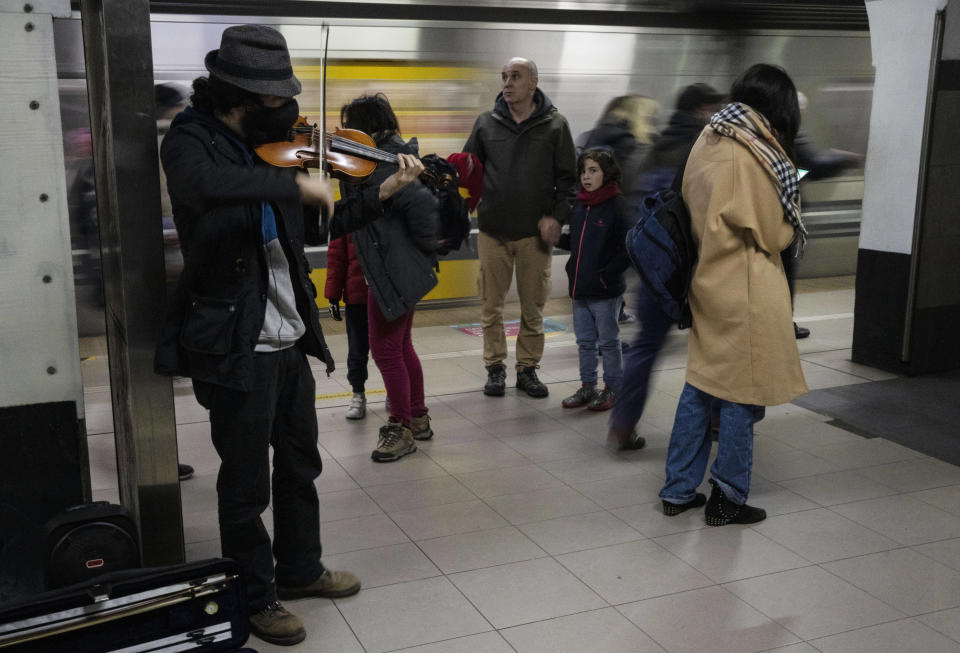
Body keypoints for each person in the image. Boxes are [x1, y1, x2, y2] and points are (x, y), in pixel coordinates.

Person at [153, 25, 424, 646]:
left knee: (300, 464)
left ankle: (300, 570)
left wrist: (384, 190)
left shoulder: (274, 145)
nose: (290, 116)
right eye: (277, 102)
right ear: (240, 96)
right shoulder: (193, 141)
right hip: (233, 339)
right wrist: (290, 181)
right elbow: (202, 189)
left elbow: (326, 219)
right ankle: (254, 597)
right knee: (244, 483)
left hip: (287, 334)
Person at [658, 63, 808, 525]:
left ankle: (678, 490)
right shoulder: (752, 153)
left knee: (701, 388)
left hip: (708, 281)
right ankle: (728, 496)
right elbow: (771, 232)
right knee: (743, 393)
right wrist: (791, 212)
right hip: (744, 288)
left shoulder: (709, 139)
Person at [607, 82, 723, 447]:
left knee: (644, 348)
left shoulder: (651, 148)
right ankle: (718, 422)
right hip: (699, 270)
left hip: (655, 270)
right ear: (703, 110)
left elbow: (632, 209)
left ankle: (621, 427)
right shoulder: (709, 148)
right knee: (715, 349)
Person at [463, 57, 576, 399]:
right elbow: (468, 171)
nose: (507, 83)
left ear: (533, 83)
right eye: (504, 77)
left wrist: (556, 216)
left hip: (534, 235)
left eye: (516, 76)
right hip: (493, 230)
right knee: (491, 306)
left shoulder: (555, 126)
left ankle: (527, 369)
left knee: (533, 307)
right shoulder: (486, 123)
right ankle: (494, 367)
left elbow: (568, 180)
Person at [339, 93, 439, 463]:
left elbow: (423, 207)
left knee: (385, 350)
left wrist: (424, 250)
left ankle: (401, 428)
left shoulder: (384, 163)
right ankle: (417, 416)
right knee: (401, 346)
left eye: (349, 125)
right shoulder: (379, 158)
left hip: (392, 267)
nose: (344, 133)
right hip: (395, 264)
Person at [558, 149, 637, 419]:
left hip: (604, 290)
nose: (586, 176)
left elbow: (627, 247)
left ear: (607, 173)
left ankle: (613, 387)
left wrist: (608, 275)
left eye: (593, 170)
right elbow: (576, 242)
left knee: (609, 342)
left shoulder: (617, 205)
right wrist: (556, 239)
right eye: (583, 171)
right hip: (580, 287)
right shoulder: (580, 205)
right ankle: (588, 386)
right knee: (585, 342)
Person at [786, 91, 864, 339]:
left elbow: (796, 170)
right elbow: (814, 166)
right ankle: (783, 324)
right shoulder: (790, 134)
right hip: (785, 215)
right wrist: (845, 159)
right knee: (784, 271)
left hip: (775, 212)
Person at [324, 233, 370, 420]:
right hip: (357, 296)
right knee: (357, 350)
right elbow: (336, 256)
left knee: (389, 351)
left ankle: (393, 392)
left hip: (386, 294)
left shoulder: (390, 206)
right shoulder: (346, 213)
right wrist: (333, 294)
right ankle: (358, 393)